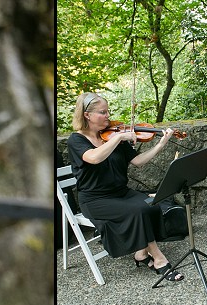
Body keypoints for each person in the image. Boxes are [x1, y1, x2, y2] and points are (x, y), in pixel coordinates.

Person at [66, 92, 184, 282]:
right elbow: (94, 158)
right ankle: (160, 259)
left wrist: (161, 144)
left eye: (108, 111)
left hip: (121, 193)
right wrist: (118, 139)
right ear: (87, 115)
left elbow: (138, 161)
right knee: (139, 210)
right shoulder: (77, 140)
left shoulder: (112, 134)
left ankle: (141, 254)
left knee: (152, 203)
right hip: (95, 199)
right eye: (102, 112)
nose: (108, 116)